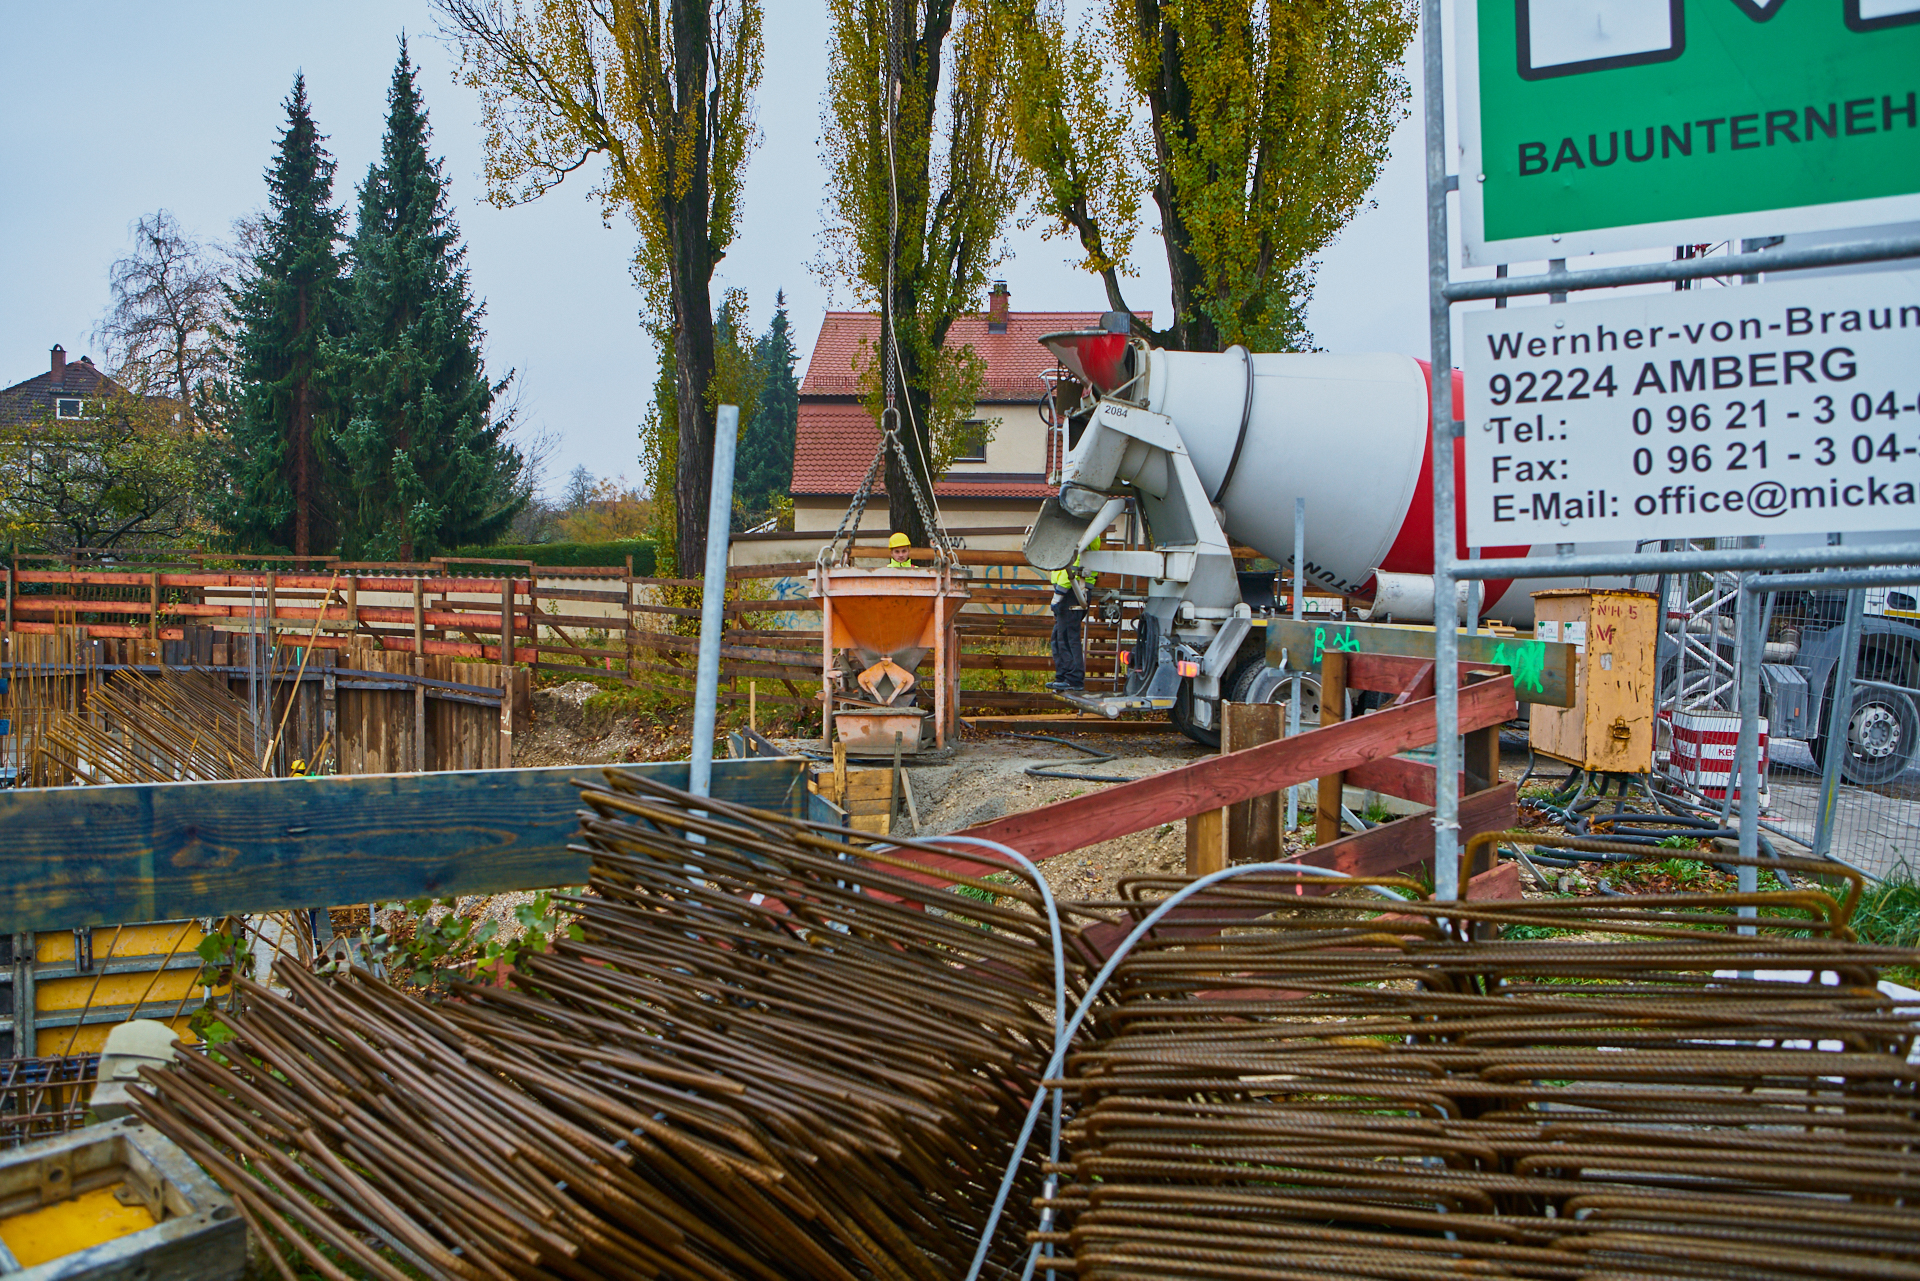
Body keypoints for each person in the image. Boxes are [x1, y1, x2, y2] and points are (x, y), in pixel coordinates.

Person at [1047, 538, 1099, 692]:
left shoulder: (1079, 538)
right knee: (1059, 637)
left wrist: (1058, 594)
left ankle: (1073, 678)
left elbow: (1070, 568)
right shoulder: (1081, 537)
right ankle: (1064, 677)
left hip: (1072, 591)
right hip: (1072, 590)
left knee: (1067, 637)